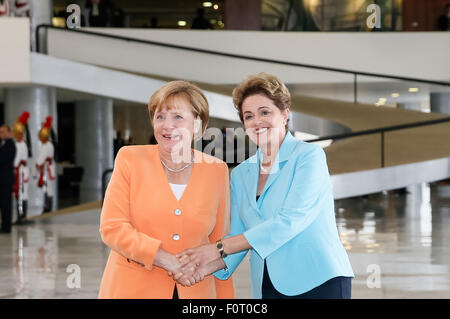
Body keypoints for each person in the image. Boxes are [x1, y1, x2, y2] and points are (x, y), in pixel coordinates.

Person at [176, 73, 354, 299]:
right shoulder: (241, 174)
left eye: (265, 112)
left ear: (285, 114)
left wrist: (217, 248)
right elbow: (239, 233)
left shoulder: (309, 157)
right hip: (267, 285)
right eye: (248, 116)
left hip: (318, 280)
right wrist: (202, 268)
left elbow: (290, 220)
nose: (257, 121)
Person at [98, 80, 234, 299]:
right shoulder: (130, 159)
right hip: (132, 290)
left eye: (177, 117)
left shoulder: (216, 170)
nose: (166, 125)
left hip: (196, 293)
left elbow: (219, 245)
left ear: (197, 125)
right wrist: (167, 260)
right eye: (159, 116)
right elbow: (112, 227)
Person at [13, 112, 30, 224]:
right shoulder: (20, 144)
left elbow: (17, 159)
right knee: (20, 193)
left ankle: (21, 215)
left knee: (20, 193)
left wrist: (13, 166)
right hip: (20, 169)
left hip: (20, 170)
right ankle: (21, 215)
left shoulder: (21, 145)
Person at [35, 116, 55, 214]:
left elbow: (42, 157)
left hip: (47, 169)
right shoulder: (48, 144)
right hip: (47, 167)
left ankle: (48, 206)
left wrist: (37, 164)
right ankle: (47, 205)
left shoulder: (47, 145)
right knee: (47, 187)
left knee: (47, 188)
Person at [0, 124, 16, 234]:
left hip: (5, 179)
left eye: (4, 132)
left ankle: (6, 227)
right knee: (2, 204)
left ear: (9, 133)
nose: (2, 134)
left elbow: (2, 159)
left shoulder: (10, 145)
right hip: (1, 179)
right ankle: (4, 225)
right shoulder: (2, 144)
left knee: (6, 204)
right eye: (0, 132)